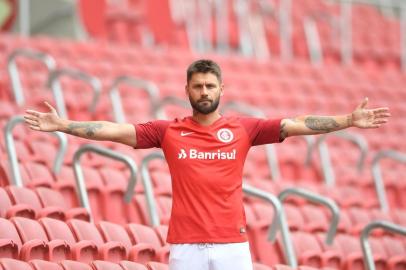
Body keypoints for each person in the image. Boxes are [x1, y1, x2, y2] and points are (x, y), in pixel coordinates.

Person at [24, 59, 390, 270]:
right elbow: (115, 130)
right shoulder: (168, 131)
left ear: (221, 89)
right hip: (186, 247)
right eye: (197, 86)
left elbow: (297, 124)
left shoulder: (244, 128)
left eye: (210, 86)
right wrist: (64, 126)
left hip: (232, 245)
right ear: (187, 90)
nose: (204, 92)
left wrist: (347, 120)